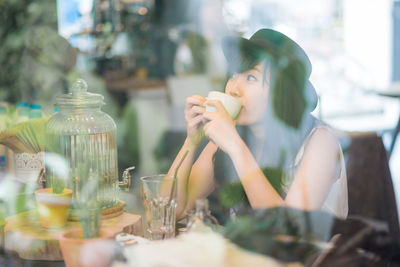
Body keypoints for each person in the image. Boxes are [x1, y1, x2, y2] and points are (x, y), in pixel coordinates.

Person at [168, 29, 348, 222]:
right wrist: (191, 141)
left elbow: (288, 232)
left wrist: (236, 147)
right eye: (235, 74)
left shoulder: (321, 142)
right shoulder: (233, 136)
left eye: (251, 78)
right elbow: (171, 212)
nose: (234, 89)